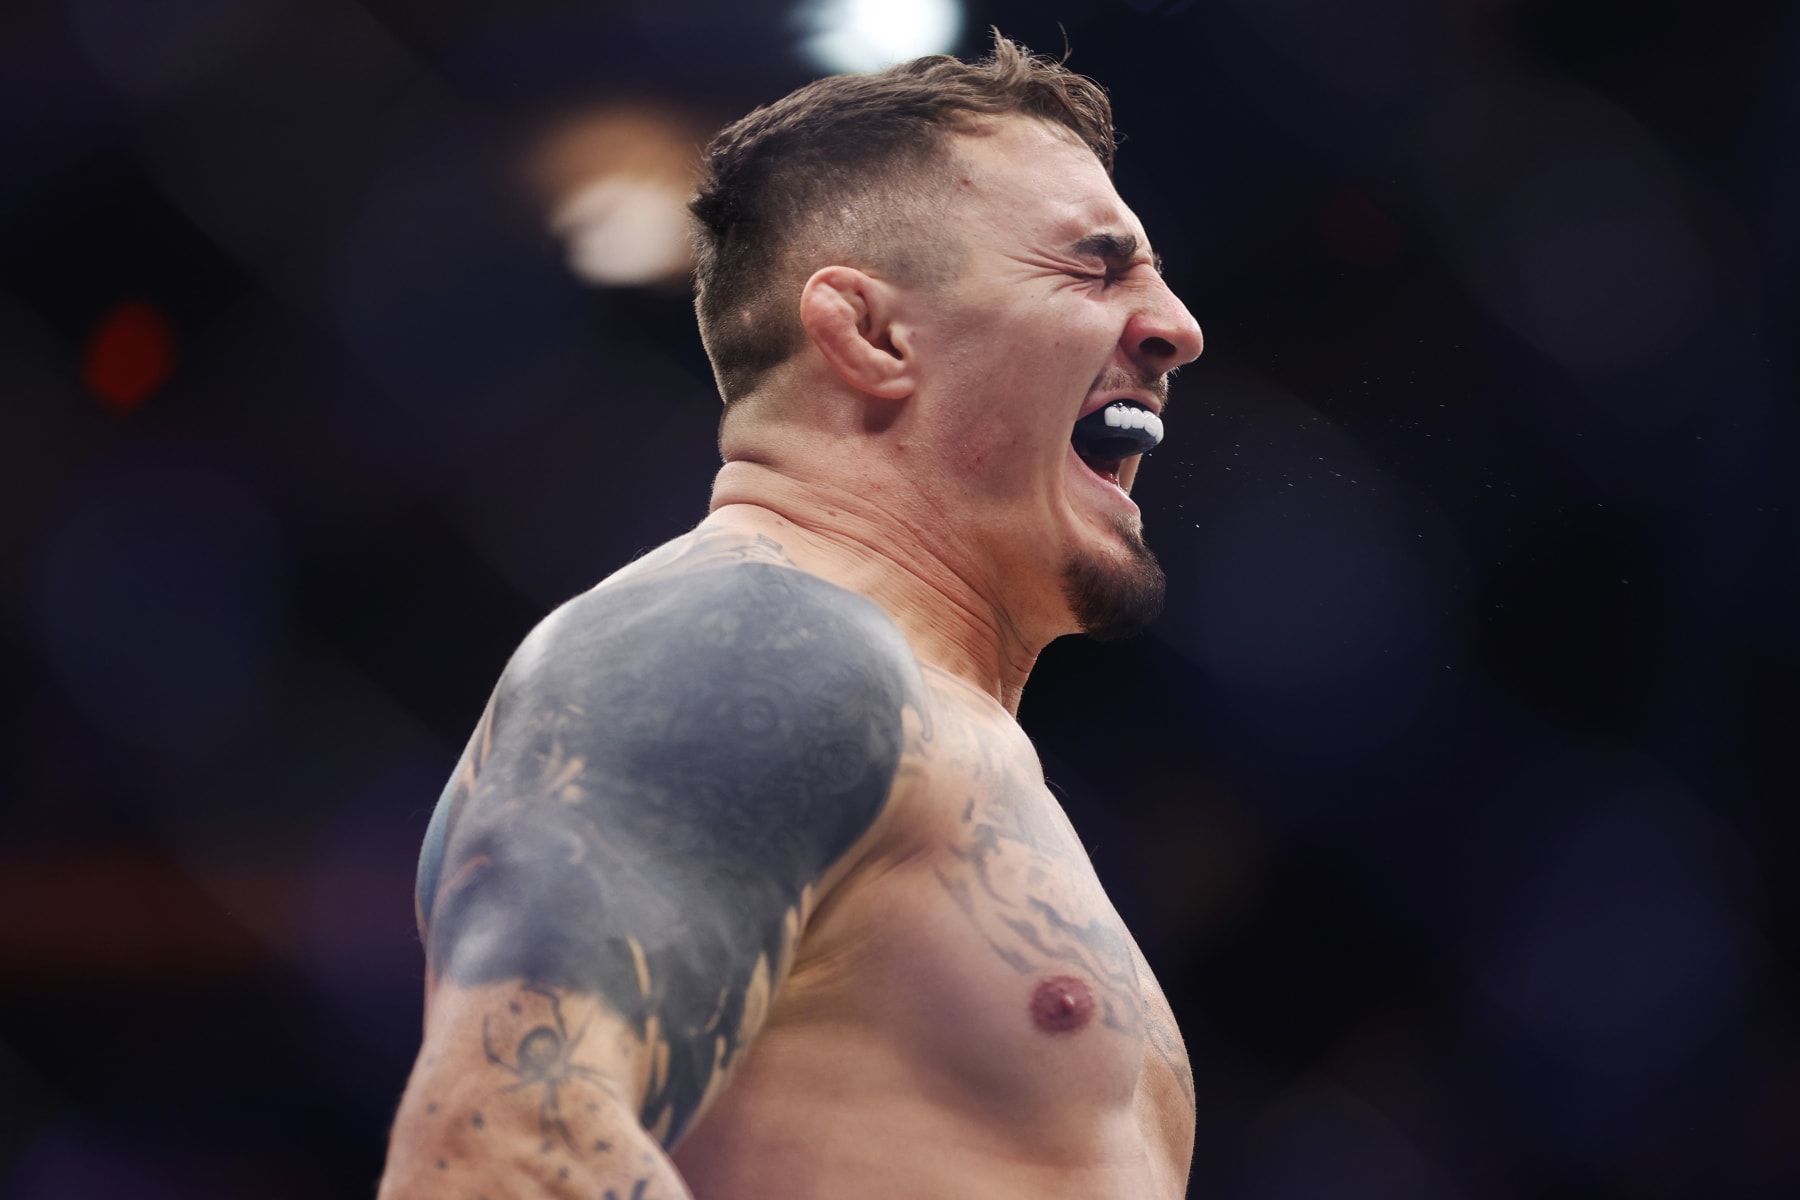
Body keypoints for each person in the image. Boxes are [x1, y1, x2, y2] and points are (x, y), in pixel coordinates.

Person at [378, 33, 1204, 1200]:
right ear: (872, 336)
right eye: (1095, 268)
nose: (1178, 326)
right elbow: (503, 1147)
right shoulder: (744, 640)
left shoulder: (936, 729)